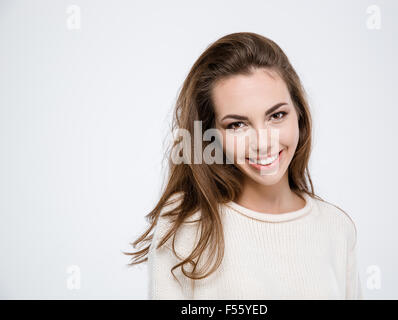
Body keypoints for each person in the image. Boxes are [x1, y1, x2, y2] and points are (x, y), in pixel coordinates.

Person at [124, 32, 363, 300]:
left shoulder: (337, 228)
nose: (263, 143)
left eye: (277, 115)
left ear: (299, 114)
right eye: (237, 124)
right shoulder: (186, 223)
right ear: (210, 135)